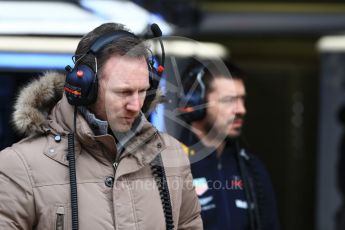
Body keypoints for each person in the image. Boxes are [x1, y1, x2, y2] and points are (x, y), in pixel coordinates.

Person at [0, 22, 202, 230]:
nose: (136, 105)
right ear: (85, 87)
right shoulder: (19, 166)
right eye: (123, 92)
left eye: (142, 91)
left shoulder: (172, 155)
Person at [176, 59, 280, 230]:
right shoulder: (168, 166)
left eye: (242, 99)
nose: (241, 110)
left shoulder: (251, 169)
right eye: (229, 100)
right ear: (195, 103)